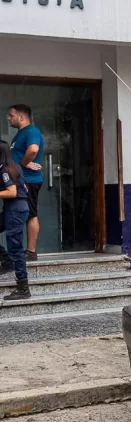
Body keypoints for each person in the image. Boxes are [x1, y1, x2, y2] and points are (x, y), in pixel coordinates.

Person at [8, 104, 43, 262]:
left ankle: (31, 251)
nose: (9, 118)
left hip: (29, 180)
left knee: (30, 214)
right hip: (20, 181)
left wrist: (23, 163)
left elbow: (34, 149)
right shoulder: (20, 134)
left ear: (21, 117)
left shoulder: (31, 131)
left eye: (11, 115)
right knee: (20, 214)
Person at [0, 140, 29, 300]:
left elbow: (11, 192)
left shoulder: (5, 169)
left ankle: (23, 288)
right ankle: (6, 259)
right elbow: (24, 187)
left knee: (16, 248)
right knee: (14, 248)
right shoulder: (15, 166)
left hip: (15, 210)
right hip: (16, 208)